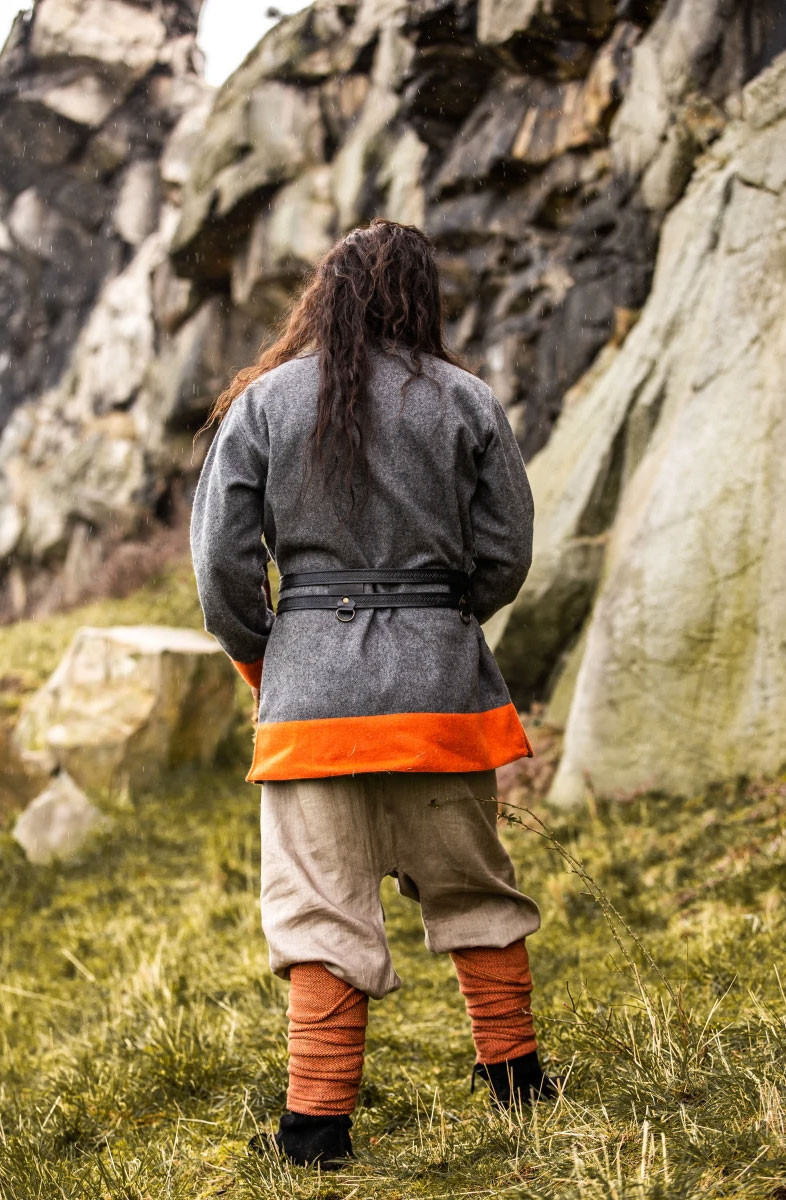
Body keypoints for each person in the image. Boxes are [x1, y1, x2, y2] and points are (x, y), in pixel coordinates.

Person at [189, 217, 562, 1172]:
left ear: (328, 296)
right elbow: (507, 552)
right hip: (442, 698)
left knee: (317, 912)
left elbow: (221, 569)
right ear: (421, 300)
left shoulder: (265, 402)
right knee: (476, 891)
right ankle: (518, 1086)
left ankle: (316, 1132)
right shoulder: (466, 400)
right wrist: (445, 621)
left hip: (310, 708)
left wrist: (272, 659)